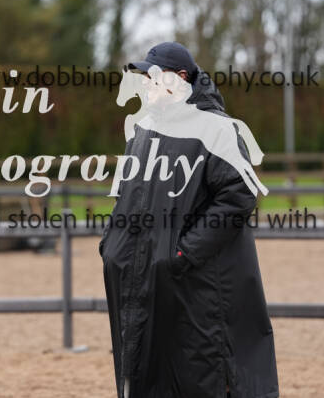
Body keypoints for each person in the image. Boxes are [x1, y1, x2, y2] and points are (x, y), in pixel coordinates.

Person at [100, 42, 279, 398]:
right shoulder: (142, 130)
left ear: (181, 78)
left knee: (198, 373)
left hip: (196, 283)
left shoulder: (217, 130)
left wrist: (184, 252)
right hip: (146, 281)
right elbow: (126, 195)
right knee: (148, 371)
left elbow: (239, 197)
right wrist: (112, 245)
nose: (146, 83)